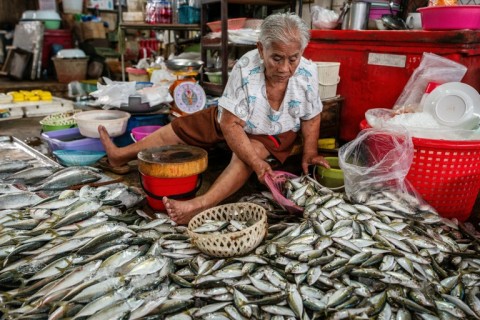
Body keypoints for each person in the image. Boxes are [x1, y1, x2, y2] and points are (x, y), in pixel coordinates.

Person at [98, 12, 329, 224]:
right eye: (277, 58)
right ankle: (120, 155)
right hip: (236, 118)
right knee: (181, 127)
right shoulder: (246, 68)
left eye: (293, 58)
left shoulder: (307, 73)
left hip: (277, 128)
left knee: (250, 154)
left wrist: (310, 152)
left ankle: (200, 205)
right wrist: (256, 162)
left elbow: (311, 116)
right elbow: (229, 123)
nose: (285, 68)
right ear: (261, 49)